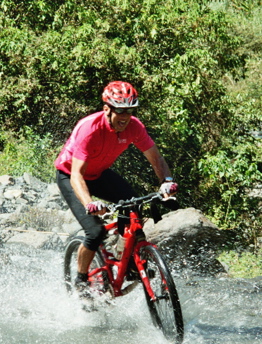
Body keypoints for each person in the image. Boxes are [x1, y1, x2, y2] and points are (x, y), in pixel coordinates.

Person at [55, 81, 178, 291]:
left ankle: (127, 260)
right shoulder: (90, 129)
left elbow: (156, 158)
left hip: (100, 174)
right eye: (120, 110)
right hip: (71, 176)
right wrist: (90, 203)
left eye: (130, 110)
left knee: (133, 206)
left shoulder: (134, 127)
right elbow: (77, 175)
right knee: (95, 232)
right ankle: (81, 279)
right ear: (106, 109)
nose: (125, 116)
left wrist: (166, 183)